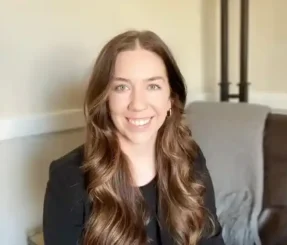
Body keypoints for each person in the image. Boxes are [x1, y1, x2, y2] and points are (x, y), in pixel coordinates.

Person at [43, 29, 225, 245]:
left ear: (170, 99)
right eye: (121, 87)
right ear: (105, 99)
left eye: (153, 86)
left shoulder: (190, 159)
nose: (138, 104)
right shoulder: (68, 178)